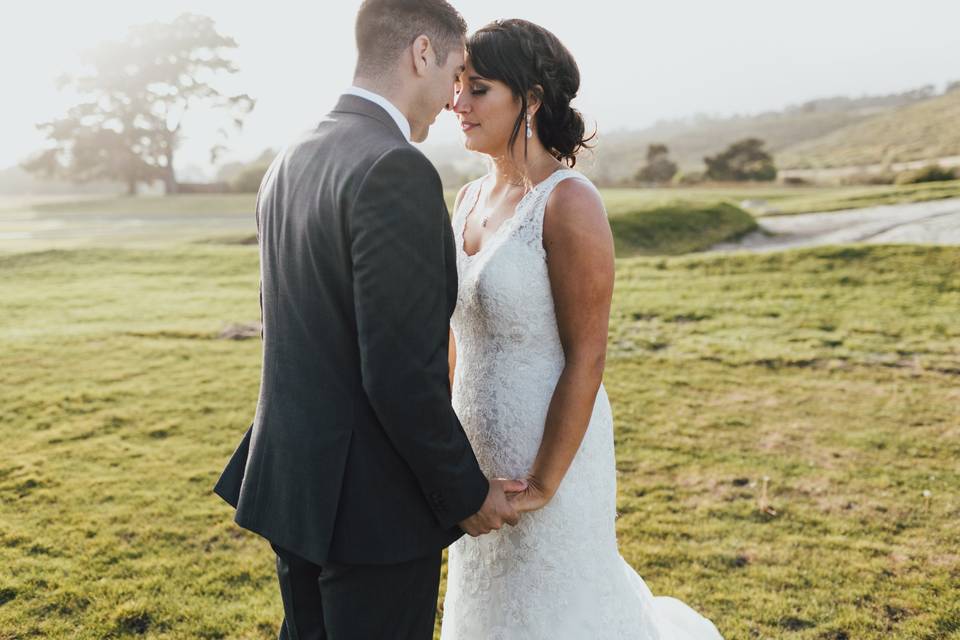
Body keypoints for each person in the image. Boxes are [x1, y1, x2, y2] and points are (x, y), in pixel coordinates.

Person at [212, 2, 526, 638]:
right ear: (420, 54)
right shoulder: (396, 167)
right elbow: (400, 371)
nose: (452, 98)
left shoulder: (293, 154)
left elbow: (281, 317)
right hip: (369, 509)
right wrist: (466, 494)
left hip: (293, 484)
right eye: (455, 72)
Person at [440, 19, 724, 639]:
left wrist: (544, 483)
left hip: (552, 453)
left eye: (478, 88)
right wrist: (447, 458)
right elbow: (458, 341)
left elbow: (587, 357)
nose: (456, 103)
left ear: (532, 97)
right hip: (473, 460)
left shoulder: (569, 202)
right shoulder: (464, 199)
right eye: (458, 84)